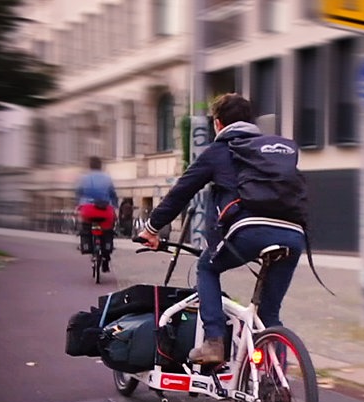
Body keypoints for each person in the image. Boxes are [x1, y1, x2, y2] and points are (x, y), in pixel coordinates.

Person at [138, 93, 305, 365]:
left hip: (247, 229)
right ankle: (277, 387)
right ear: (251, 121)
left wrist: (152, 228)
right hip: (293, 234)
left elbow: (181, 193)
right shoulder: (272, 151)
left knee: (207, 267)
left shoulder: (218, 151)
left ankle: (214, 341)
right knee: (269, 316)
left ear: (218, 124)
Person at [75, 156, 118, 270]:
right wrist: (115, 207)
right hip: (105, 210)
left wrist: (78, 206)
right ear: (101, 166)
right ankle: (106, 256)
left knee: (86, 228)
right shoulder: (107, 178)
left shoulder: (84, 178)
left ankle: (86, 245)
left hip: (88, 210)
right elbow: (113, 194)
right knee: (108, 230)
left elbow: (78, 192)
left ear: (90, 166)